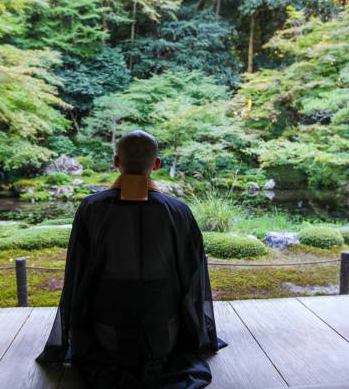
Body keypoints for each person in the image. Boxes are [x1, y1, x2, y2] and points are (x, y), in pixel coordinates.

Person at [36, 130, 226, 388]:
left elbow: (78, 273)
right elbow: (193, 274)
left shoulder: (91, 208)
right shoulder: (178, 211)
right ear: (156, 164)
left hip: (106, 330)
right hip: (163, 330)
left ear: (116, 162)